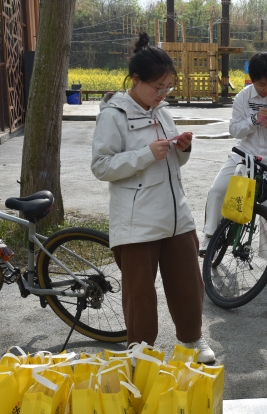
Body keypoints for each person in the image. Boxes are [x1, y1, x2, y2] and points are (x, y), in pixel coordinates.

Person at [91, 32, 215, 364]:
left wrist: (182, 150)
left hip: (176, 215)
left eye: (167, 88)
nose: (162, 94)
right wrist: (146, 154)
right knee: (140, 296)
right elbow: (101, 166)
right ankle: (141, 354)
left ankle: (192, 341)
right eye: (156, 87)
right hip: (137, 221)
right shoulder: (113, 115)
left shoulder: (162, 112)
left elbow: (172, 162)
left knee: (189, 284)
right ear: (136, 80)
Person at [200, 52, 267, 282]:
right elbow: (234, 130)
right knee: (218, 190)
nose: (266, 88)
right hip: (245, 154)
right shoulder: (243, 97)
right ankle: (210, 235)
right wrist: (254, 121)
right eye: (262, 83)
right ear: (252, 79)